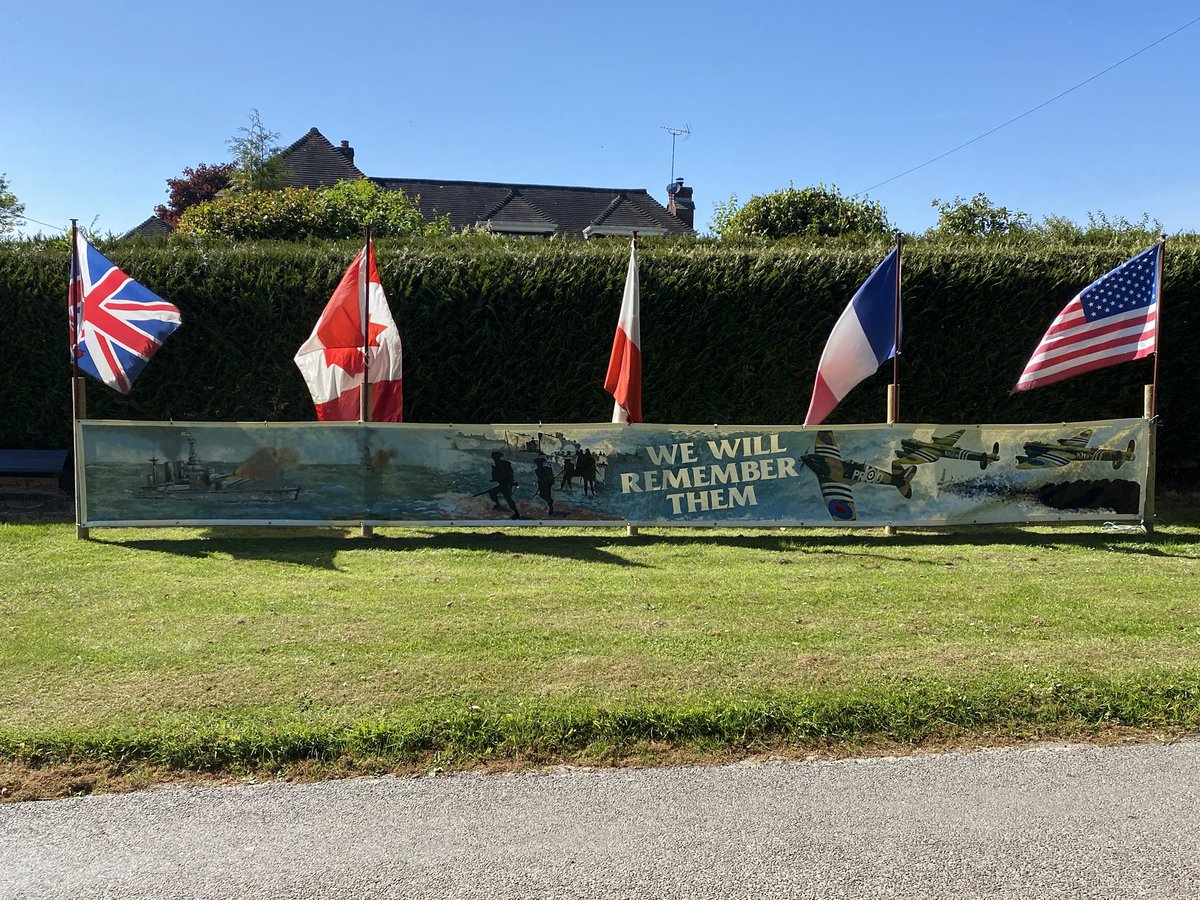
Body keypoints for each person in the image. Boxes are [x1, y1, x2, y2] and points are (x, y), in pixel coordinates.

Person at [488, 450, 520, 519]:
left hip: (506, 484)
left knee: (508, 498)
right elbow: (496, 477)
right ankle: (498, 505)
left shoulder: (504, 464)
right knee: (492, 493)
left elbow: (510, 474)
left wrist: (508, 482)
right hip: (502, 484)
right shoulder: (496, 465)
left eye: (495, 457)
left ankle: (516, 513)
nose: (494, 458)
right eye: (494, 457)